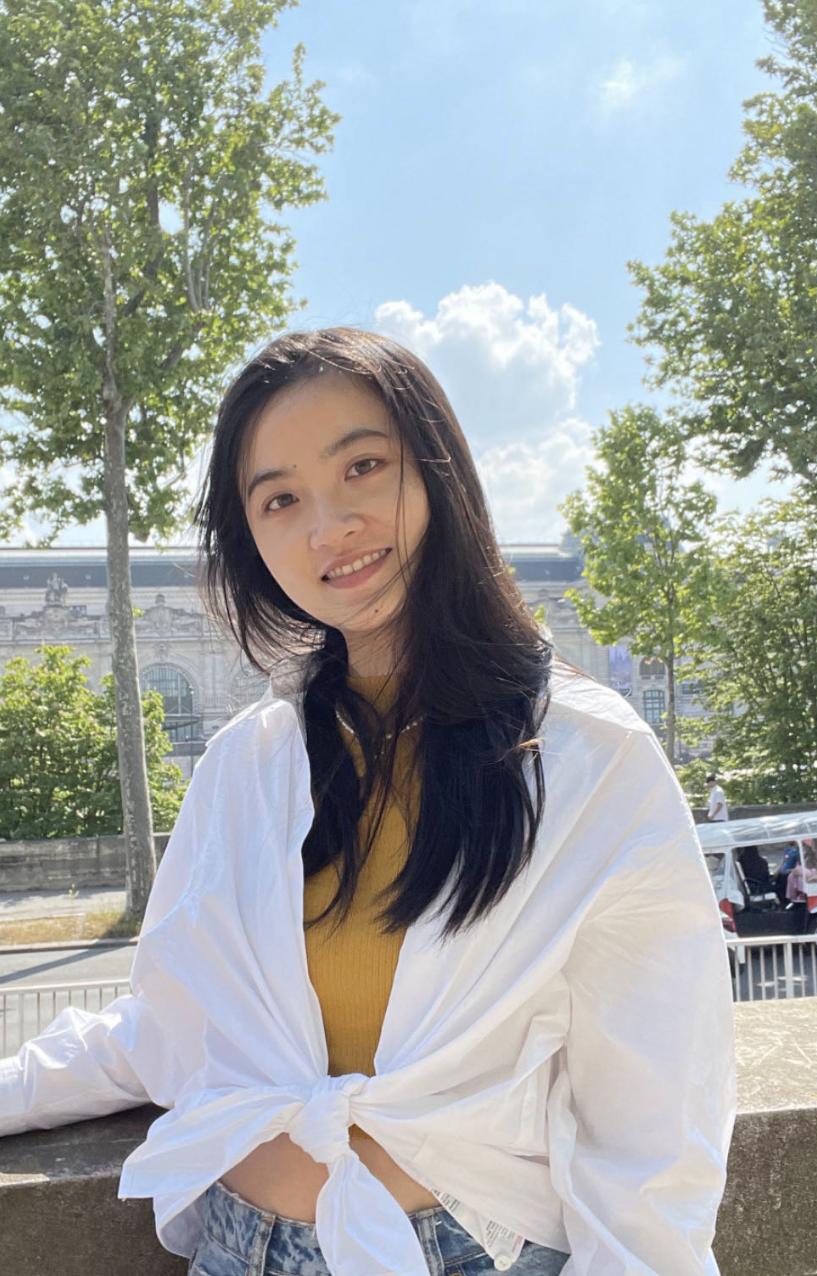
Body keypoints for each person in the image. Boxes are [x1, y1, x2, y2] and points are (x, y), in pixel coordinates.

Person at [0, 328, 736, 1276]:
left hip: (460, 1254)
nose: (329, 525)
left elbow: (654, 1121)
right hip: (237, 1247)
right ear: (251, 538)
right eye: (280, 499)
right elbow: (171, 1025)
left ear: (437, 471)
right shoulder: (247, 764)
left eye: (363, 467)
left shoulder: (591, 760)